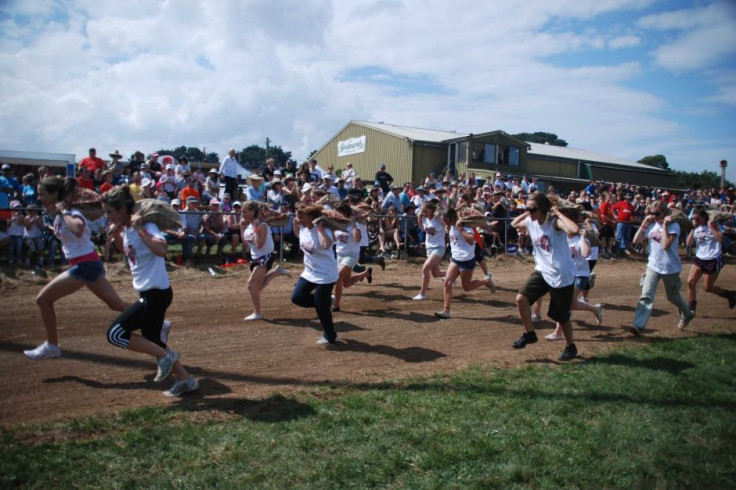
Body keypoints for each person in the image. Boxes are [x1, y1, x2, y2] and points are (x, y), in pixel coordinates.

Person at [101, 186, 198, 397]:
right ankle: (186, 380)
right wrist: (117, 234)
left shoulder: (146, 225)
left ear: (122, 209)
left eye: (110, 211)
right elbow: (129, 252)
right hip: (149, 293)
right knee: (153, 341)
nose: (106, 216)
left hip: (156, 294)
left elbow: (162, 249)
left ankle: (167, 356)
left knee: (115, 334)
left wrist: (140, 229)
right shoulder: (127, 228)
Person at [24, 177, 128, 360]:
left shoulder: (71, 212)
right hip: (88, 264)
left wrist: (63, 210)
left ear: (55, 194)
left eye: (42, 193)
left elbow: (78, 229)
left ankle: (52, 346)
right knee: (116, 305)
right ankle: (158, 323)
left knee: (43, 300)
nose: (39, 197)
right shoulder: (60, 214)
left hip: (84, 265)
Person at [510, 192, 580, 361]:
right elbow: (514, 224)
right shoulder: (530, 221)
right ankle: (529, 334)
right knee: (521, 298)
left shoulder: (554, 223)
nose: (529, 212)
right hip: (542, 271)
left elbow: (574, 230)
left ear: (543, 210)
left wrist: (558, 213)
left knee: (561, 316)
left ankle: (571, 346)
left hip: (561, 275)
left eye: (532, 209)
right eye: (527, 208)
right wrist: (528, 212)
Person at [630, 200, 694, 335]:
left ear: (664, 213)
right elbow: (635, 242)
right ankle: (638, 325)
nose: (653, 216)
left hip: (670, 267)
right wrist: (643, 225)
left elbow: (665, 246)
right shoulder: (651, 225)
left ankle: (687, 313)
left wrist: (664, 226)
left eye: (657, 213)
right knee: (646, 295)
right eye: (651, 213)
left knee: (673, 297)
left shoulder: (673, 225)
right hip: (653, 265)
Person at [545, 208, 603, 340]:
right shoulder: (560, 237)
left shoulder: (580, 239)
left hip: (580, 276)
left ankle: (558, 333)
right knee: (572, 304)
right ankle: (595, 309)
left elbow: (585, 254)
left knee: (564, 302)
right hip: (565, 275)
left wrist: (583, 237)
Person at [290, 203, 340, 344]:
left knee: (321, 307)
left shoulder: (323, 230)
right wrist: (295, 225)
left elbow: (326, 245)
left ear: (312, 218)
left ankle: (331, 336)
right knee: (297, 297)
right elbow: (298, 235)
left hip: (326, 274)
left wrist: (319, 228)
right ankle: (326, 301)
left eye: (301, 216)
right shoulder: (303, 228)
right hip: (310, 271)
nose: (297, 218)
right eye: (297, 215)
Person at [434, 208, 494, 319]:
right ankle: (446, 311)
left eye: (445, 219)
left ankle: (486, 282)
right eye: (443, 219)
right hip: (455, 259)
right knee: (447, 283)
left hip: (467, 259)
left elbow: (471, 240)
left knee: (467, 287)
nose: (444, 221)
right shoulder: (450, 226)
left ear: (452, 218)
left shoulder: (465, 226)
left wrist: (461, 229)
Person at [239, 201, 291, 320]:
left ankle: (257, 313)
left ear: (253, 211)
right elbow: (246, 242)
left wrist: (256, 228)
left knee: (251, 285)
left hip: (265, 256)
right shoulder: (248, 225)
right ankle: (276, 273)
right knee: (255, 287)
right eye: (242, 211)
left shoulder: (262, 225)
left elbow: (260, 244)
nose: (242, 214)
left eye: (245, 211)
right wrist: (242, 229)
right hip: (255, 257)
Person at [686, 207, 735, 314]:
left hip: (712, 259)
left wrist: (712, 227)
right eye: (693, 219)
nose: (695, 221)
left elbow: (720, 239)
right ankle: (690, 308)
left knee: (708, 288)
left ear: (704, 217)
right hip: (699, 258)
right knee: (690, 283)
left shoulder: (713, 226)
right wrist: (693, 228)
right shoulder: (696, 228)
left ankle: (730, 295)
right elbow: (689, 244)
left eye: (697, 219)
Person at [332, 202, 372, 312]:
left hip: (351, 255)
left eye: (338, 212)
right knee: (347, 283)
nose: (336, 214)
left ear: (344, 213)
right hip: (340, 254)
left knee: (337, 278)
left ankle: (336, 305)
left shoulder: (354, 224)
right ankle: (366, 273)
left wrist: (354, 223)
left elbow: (358, 239)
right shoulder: (337, 223)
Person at [413, 201, 446, 300]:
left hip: (439, 247)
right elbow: (423, 229)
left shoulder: (438, 220)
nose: (424, 213)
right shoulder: (425, 219)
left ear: (432, 210)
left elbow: (446, 225)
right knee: (436, 274)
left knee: (425, 268)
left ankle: (422, 294)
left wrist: (440, 217)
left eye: (426, 211)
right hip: (429, 247)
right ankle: (454, 274)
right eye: (422, 211)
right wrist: (419, 220)